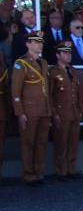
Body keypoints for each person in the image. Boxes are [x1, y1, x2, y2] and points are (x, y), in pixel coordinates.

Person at [11, 32, 52, 186]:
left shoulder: (44, 62)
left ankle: (39, 172)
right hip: (29, 110)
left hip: (44, 109)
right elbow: (16, 90)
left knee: (41, 143)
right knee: (28, 143)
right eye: (36, 42)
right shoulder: (21, 63)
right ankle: (29, 174)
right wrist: (19, 112)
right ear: (28, 44)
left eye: (41, 42)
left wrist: (49, 109)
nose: (39, 45)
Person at [49, 41, 83, 180]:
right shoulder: (53, 72)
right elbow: (50, 95)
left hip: (74, 112)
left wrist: (80, 110)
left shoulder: (73, 70)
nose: (68, 55)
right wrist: (54, 113)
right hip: (61, 113)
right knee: (61, 143)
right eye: (65, 53)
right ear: (58, 55)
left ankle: (71, 169)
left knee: (73, 143)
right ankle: (61, 171)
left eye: (69, 53)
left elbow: (79, 93)